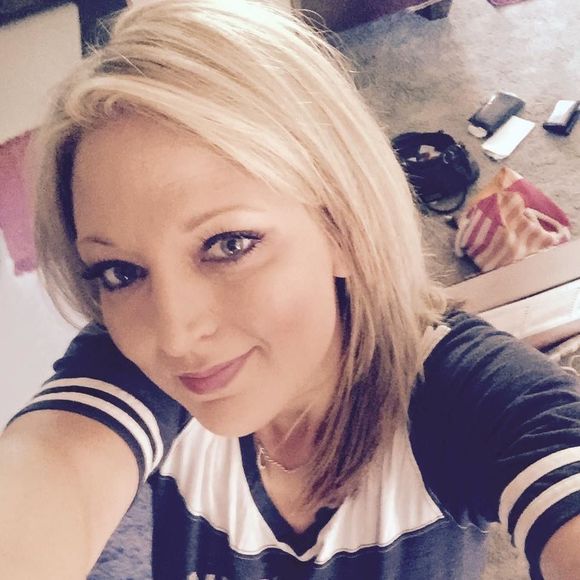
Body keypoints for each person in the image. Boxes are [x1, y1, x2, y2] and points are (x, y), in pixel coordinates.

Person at [1, 1, 579, 578]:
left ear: (343, 227)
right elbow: (50, 471)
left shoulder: (464, 395)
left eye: (228, 244)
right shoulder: (131, 368)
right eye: (120, 273)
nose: (174, 337)